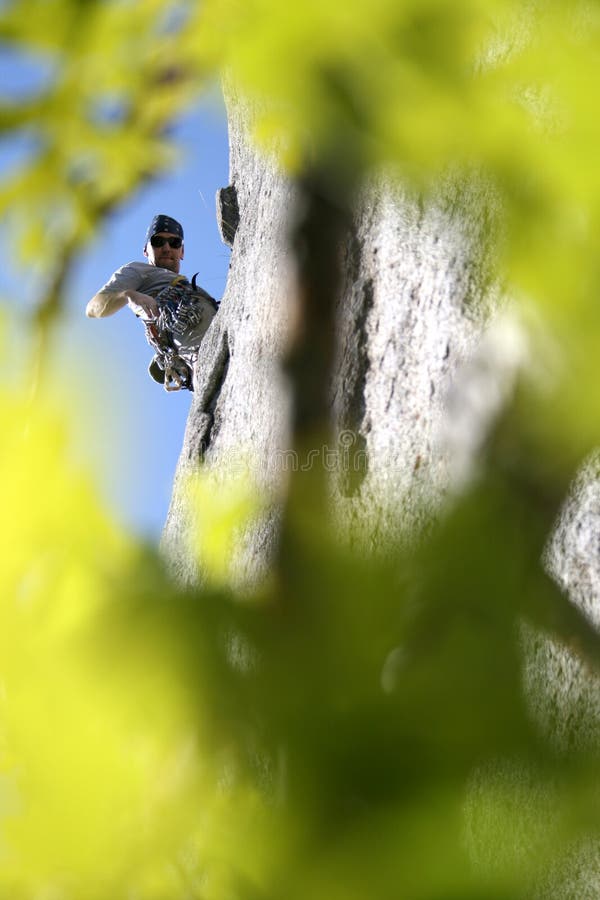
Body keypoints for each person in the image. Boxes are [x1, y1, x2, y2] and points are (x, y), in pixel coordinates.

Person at [87, 214, 218, 391]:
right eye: (158, 242)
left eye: (174, 243)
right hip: (196, 347)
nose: (166, 248)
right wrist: (128, 294)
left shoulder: (183, 282)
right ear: (146, 250)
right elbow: (93, 308)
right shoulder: (137, 270)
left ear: (182, 251)